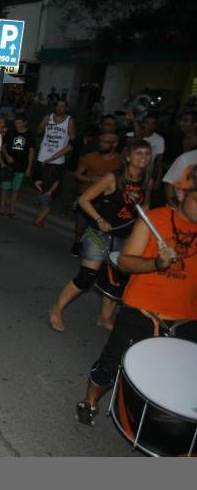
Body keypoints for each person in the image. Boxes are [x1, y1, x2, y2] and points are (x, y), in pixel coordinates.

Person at [74, 164, 197, 426]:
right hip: (142, 311)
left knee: (176, 381)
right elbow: (126, 262)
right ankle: (91, 401)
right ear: (180, 194)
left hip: (187, 321)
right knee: (111, 363)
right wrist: (157, 264)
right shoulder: (154, 220)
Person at [48, 141, 152, 332]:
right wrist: (99, 218)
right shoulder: (113, 178)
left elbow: (145, 210)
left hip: (125, 238)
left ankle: (104, 318)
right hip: (99, 234)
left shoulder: (147, 181)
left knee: (115, 282)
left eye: (147, 153)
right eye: (139, 153)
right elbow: (84, 199)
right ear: (128, 157)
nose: (144, 157)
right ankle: (56, 308)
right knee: (86, 277)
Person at [32, 100, 76, 227]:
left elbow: (72, 139)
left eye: (62, 106)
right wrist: (43, 126)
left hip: (57, 159)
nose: (60, 108)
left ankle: (40, 217)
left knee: (51, 188)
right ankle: (41, 211)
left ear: (66, 108)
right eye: (58, 105)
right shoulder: (48, 117)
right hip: (43, 156)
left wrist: (66, 145)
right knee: (39, 183)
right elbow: (38, 132)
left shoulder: (69, 120)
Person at [0, 112, 35, 217]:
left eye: (19, 123)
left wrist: (29, 167)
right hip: (8, 165)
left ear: (25, 123)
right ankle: (1, 210)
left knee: (16, 189)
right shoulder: (11, 132)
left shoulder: (29, 135)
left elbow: (31, 152)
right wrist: (7, 155)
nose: (17, 125)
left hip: (21, 166)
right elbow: (3, 146)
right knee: (5, 188)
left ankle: (12, 211)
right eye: (16, 122)